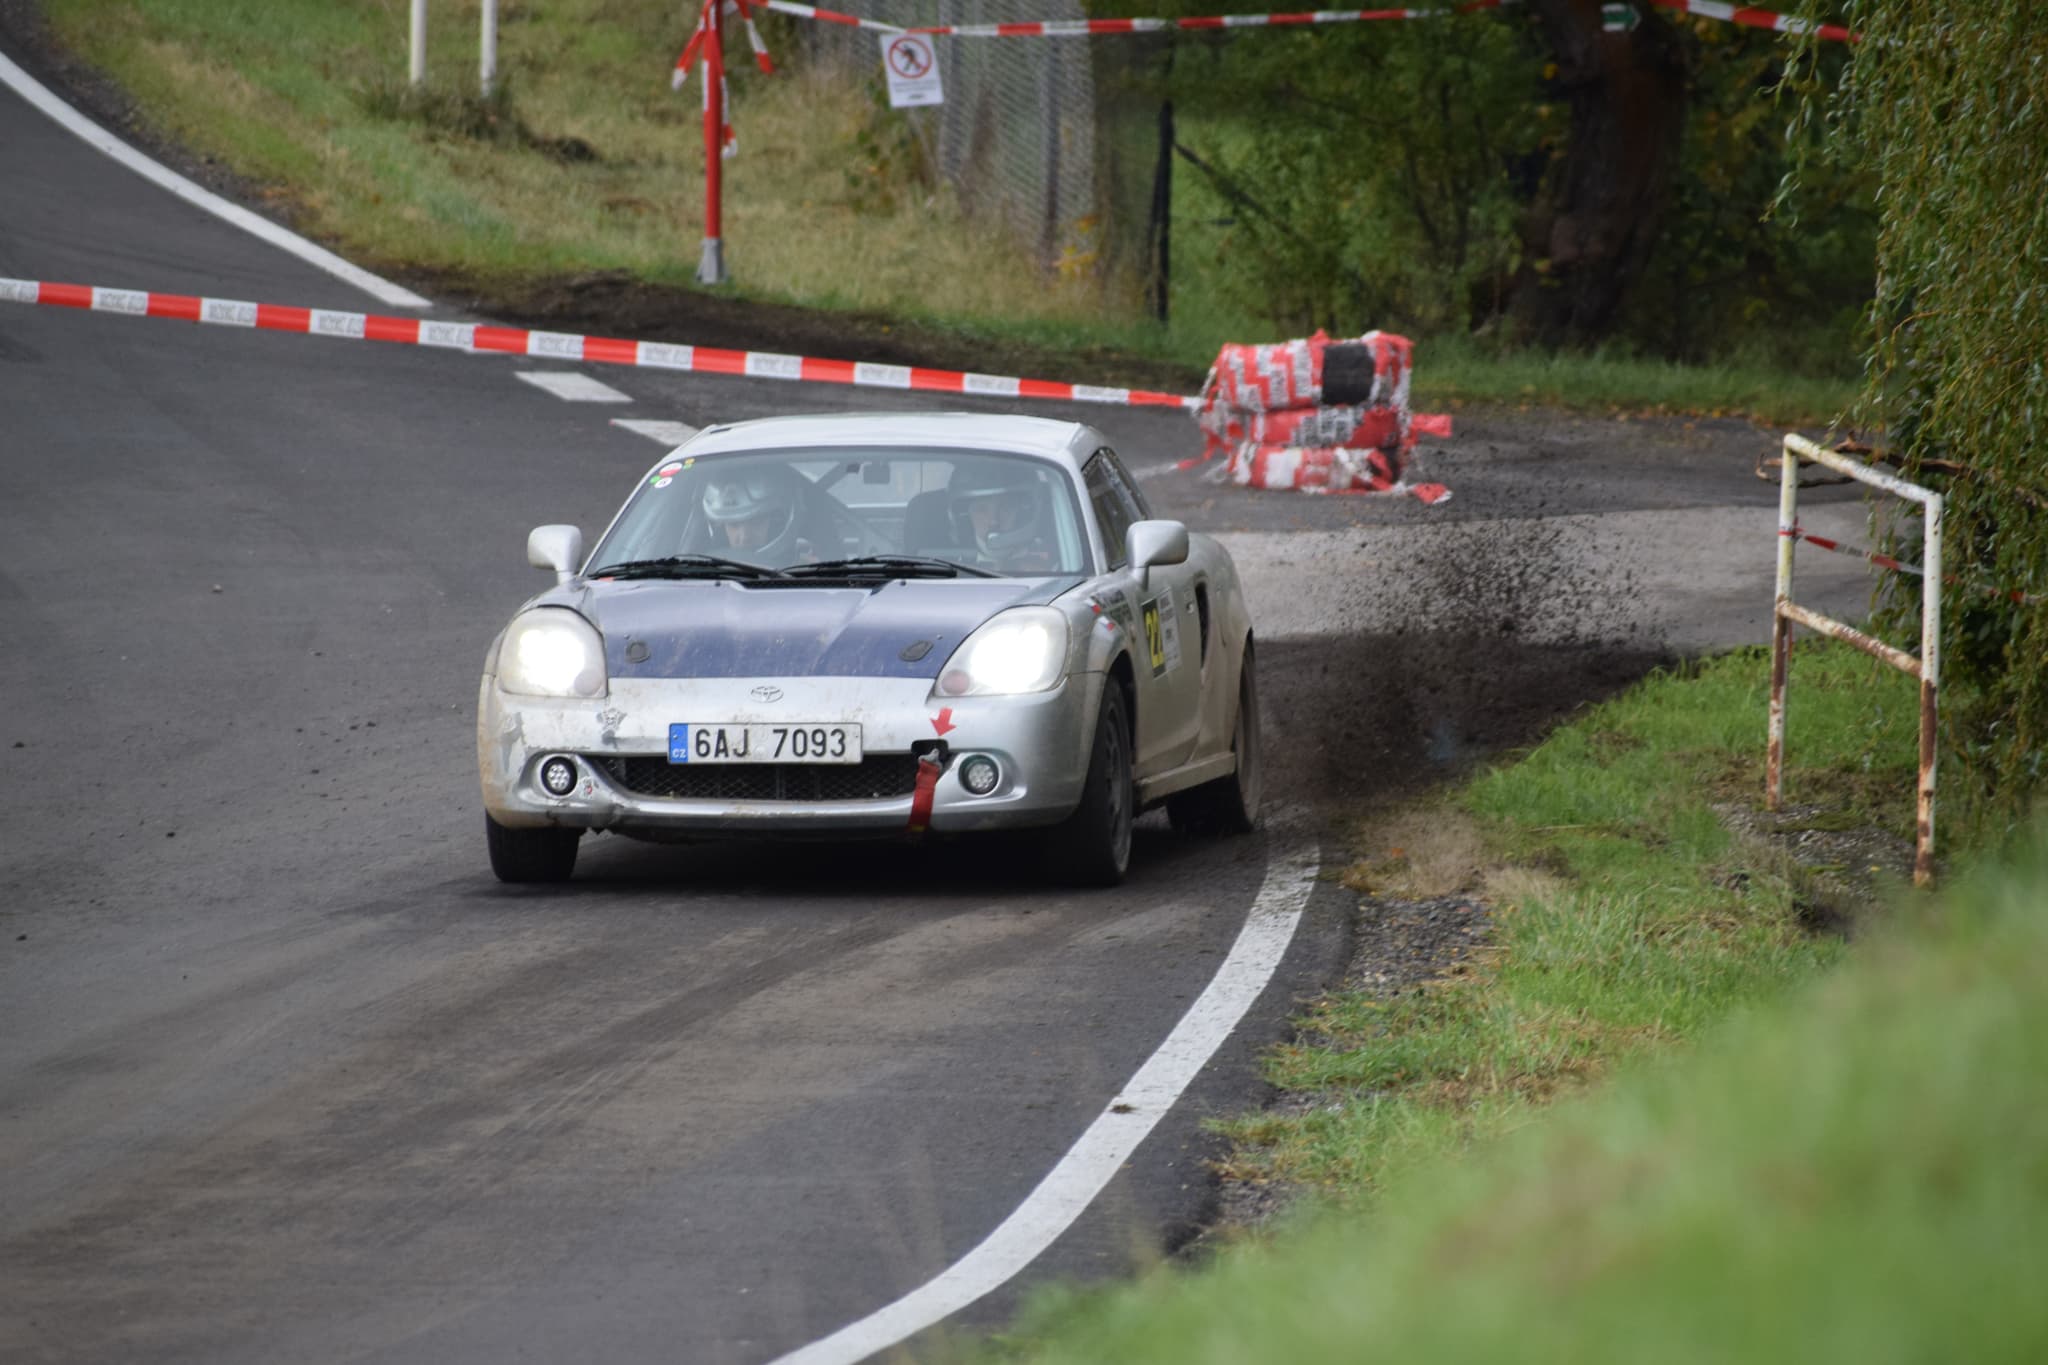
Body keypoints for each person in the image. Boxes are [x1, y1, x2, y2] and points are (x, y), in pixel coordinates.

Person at [949, 462, 1056, 572]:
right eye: (981, 510)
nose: (993, 521)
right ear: (965, 517)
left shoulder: (1054, 564)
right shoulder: (947, 566)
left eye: (1005, 508)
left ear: (1023, 513)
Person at [700, 466, 809, 564]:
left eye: (755, 522)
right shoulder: (702, 570)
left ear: (777, 521)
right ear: (721, 528)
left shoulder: (804, 569)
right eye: (733, 525)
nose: (744, 537)